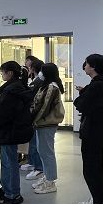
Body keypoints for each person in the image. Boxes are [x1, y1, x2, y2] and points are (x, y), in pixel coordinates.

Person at [0, 61, 33, 204]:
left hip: (9, 130)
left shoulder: (12, 91)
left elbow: (4, 113)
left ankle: (12, 193)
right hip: (11, 130)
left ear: (10, 73)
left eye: (3, 72)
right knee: (7, 161)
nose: (1, 74)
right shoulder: (17, 88)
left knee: (9, 163)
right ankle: (6, 188)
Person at [74, 54, 103, 204]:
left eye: (87, 64)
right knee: (93, 167)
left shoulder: (98, 85)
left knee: (92, 169)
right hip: (95, 130)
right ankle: (96, 198)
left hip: (95, 131)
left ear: (93, 66)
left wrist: (82, 96)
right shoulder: (100, 83)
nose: (84, 66)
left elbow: (80, 103)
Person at [31, 63, 65, 194]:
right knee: (42, 150)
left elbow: (44, 107)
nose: (40, 73)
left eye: (42, 71)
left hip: (47, 123)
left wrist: (33, 119)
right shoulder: (46, 85)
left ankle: (51, 181)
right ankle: (47, 175)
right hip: (42, 123)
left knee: (47, 152)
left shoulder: (52, 87)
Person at [23, 58, 45, 180]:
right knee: (32, 141)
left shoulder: (38, 82)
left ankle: (39, 168)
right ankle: (32, 163)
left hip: (36, 116)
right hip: (33, 116)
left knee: (36, 143)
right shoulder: (36, 80)